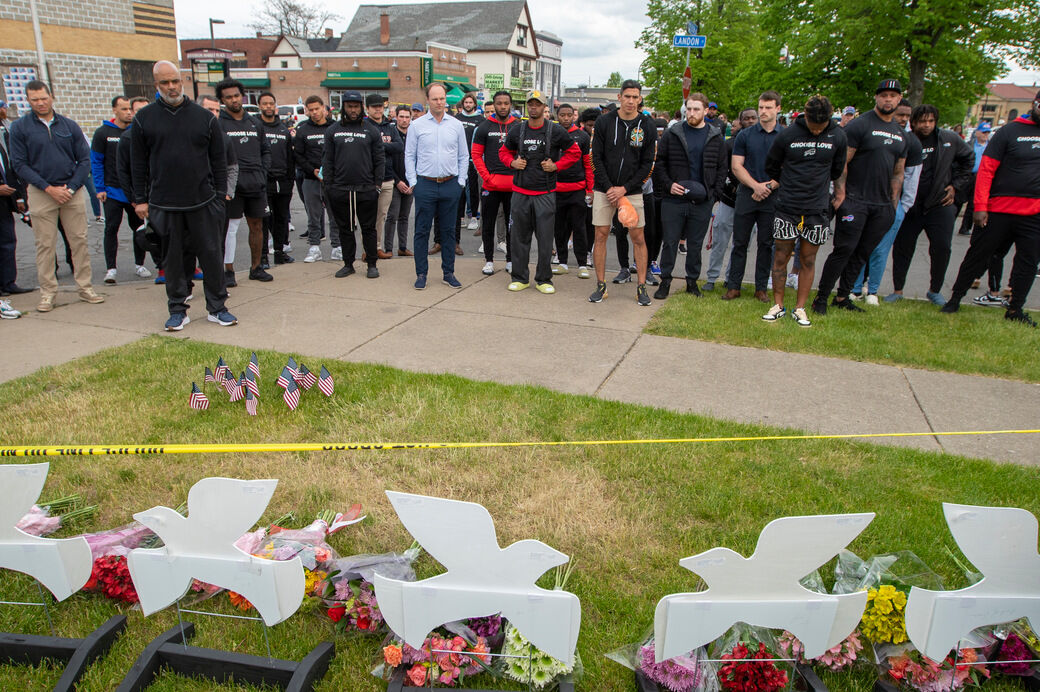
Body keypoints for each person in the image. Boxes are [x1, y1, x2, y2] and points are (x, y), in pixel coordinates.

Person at [131, 60, 235, 331]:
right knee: (174, 261)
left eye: (175, 81)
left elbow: (219, 161)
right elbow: (138, 163)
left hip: (204, 202)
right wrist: (140, 199)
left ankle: (217, 307)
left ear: (182, 81)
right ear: (156, 85)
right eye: (165, 82)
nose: (171, 87)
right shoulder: (144, 118)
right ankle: (177, 309)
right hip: (165, 203)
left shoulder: (204, 118)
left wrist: (220, 196)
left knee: (212, 256)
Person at [941, 92, 1040, 326]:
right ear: (1034, 104)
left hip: (1034, 213)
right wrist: (980, 206)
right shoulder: (1009, 131)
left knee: (1028, 262)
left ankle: (1015, 309)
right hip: (999, 209)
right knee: (978, 255)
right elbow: (986, 170)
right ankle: (955, 299)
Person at [812, 79, 908, 315]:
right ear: (876, 97)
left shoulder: (900, 133)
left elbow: (898, 171)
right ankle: (821, 297)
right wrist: (841, 194)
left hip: (882, 205)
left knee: (863, 252)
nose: (888, 99)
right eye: (883, 95)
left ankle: (843, 296)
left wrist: (893, 204)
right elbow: (842, 162)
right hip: (855, 200)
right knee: (844, 250)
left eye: (893, 95)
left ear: (899, 99)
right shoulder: (860, 125)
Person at [9, 80, 104, 312]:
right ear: (28, 101)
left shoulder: (69, 126)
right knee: (45, 244)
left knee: (79, 241)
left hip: (71, 191)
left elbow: (84, 160)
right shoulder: (20, 128)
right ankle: (48, 293)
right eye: (35, 100)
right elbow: (19, 164)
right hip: (41, 192)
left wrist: (71, 188)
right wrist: (48, 188)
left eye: (44, 98)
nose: (40, 103)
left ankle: (85, 287)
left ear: (51, 97)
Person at [761, 95, 848, 327]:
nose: (817, 131)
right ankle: (778, 304)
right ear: (805, 116)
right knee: (780, 256)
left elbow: (838, 168)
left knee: (808, 259)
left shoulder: (838, 135)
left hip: (817, 208)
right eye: (813, 126)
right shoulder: (788, 134)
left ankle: (800, 308)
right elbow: (771, 165)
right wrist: (789, 181)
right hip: (787, 205)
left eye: (822, 127)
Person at [886, 104, 974, 306]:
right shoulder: (905, 139)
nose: (927, 125)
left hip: (939, 204)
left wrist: (955, 186)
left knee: (942, 247)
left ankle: (935, 290)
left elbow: (968, 160)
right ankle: (898, 289)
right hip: (911, 204)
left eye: (931, 121)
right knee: (903, 247)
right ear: (913, 122)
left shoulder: (949, 139)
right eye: (922, 121)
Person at [498, 90, 580, 293]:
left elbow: (574, 152)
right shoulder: (518, 130)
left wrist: (557, 166)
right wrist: (512, 162)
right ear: (527, 106)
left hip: (545, 193)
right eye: (530, 104)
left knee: (545, 239)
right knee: (518, 238)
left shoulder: (555, 130)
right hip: (520, 192)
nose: (533, 107)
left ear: (545, 107)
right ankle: (520, 277)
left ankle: (544, 279)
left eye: (538, 104)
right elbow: (503, 152)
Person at [589, 79, 658, 305]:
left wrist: (624, 189)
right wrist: (609, 188)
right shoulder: (604, 122)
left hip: (632, 191)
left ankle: (641, 287)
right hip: (604, 190)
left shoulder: (647, 125)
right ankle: (601, 285)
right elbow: (595, 158)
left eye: (635, 97)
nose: (630, 101)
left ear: (640, 99)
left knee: (638, 237)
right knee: (600, 234)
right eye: (627, 96)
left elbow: (648, 163)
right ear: (619, 97)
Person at [653, 93, 727, 300]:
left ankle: (692, 282)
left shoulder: (715, 136)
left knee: (695, 244)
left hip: (702, 201)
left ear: (705, 110)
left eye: (696, 109)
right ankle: (665, 281)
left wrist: (713, 194)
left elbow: (722, 168)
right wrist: (669, 185)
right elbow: (660, 164)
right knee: (669, 242)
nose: (692, 113)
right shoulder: (672, 133)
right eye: (689, 109)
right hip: (673, 199)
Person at [850, 97, 922, 304]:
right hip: (865, 200)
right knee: (861, 247)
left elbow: (910, 176)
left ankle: (872, 290)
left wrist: (902, 206)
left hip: (892, 205)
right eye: (900, 115)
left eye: (907, 116)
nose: (903, 119)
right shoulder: (872, 131)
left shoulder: (908, 141)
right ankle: (855, 288)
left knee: (880, 250)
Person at [404, 82, 469, 290]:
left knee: (449, 231)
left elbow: (463, 156)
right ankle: (421, 273)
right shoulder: (417, 126)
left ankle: (448, 272)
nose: (439, 102)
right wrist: (414, 182)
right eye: (435, 99)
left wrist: (461, 181)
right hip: (425, 184)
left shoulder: (456, 125)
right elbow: (409, 155)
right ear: (428, 101)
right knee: (422, 231)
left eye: (442, 98)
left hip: (450, 184)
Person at [724, 91, 782, 303]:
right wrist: (756, 186)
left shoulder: (784, 136)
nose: (763, 111)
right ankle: (734, 286)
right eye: (761, 107)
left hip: (772, 197)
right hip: (747, 194)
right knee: (740, 242)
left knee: (766, 244)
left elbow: (787, 169)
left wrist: (768, 187)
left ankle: (761, 288)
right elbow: (736, 166)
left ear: (778, 109)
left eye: (768, 107)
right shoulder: (745, 135)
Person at [322, 90, 384, 279]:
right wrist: (329, 187)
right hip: (340, 189)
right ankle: (348, 264)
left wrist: (377, 186)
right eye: (349, 106)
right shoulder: (333, 130)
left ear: (361, 107)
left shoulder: (371, 130)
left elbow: (379, 159)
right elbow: (328, 161)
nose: (353, 110)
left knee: (369, 229)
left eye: (356, 106)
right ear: (344, 107)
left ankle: (372, 264)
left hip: (366, 189)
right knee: (345, 229)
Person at [215, 78, 271, 285]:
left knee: (257, 226)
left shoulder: (255, 122)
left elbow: (265, 150)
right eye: (228, 97)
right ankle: (228, 270)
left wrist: (263, 172)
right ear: (222, 100)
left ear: (243, 96)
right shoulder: (219, 123)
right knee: (230, 228)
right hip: (231, 186)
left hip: (256, 183)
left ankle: (256, 267)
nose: (234, 100)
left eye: (236, 96)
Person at [92, 95, 151, 283]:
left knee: (139, 228)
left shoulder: (138, 132)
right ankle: (111, 269)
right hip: (113, 191)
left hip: (135, 193)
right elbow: (96, 161)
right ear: (114, 110)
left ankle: (139, 265)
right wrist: (99, 187)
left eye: (129, 109)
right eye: (124, 109)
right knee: (111, 228)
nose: (128, 113)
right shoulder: (103, 133)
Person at [704, 107, 756, 291]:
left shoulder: (763, 142)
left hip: (753, 200)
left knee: (741, 244)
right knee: (719, 241)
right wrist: (719, 192)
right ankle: (711, 278)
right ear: (740, 121)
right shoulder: (730, 144)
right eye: (746, 118)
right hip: (729, 199)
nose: (750, 121)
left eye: (753, 118)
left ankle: (731, 278)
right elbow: (721, 169)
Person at [471, 90, 519, 275]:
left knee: (511, 225)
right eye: (499, 103)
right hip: (490, 185)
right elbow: (476, 155)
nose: (503, 107)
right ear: (494, 104)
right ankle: (489, 260)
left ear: (510, 105)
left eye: (506, 103)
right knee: (488, 224)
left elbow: (523, 154)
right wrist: (487, 177)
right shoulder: (484, 126)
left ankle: (510, 260)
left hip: (513, 185)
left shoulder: (518, 126)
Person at [552, 103, 594, 278]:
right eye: (563, 115)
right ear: (557, 116)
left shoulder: (583, 136)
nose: (566, 118)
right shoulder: (552, 134)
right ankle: (562, 262)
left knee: (580, 227)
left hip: (578, 189)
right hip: (556, 188)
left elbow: (588, 164)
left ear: (574, 116)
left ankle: (582, 264)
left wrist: (589, 189)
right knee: (559, 227)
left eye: (570, 115)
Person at [295, 95, 339, 263]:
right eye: (310, 110)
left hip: (332, 179)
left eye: (317, 109)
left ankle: (337, 247)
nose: (314, 113)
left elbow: (341, 152)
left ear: (323, 108)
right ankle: (314, 248)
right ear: (307, 111)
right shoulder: (303, 129)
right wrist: (311, 170)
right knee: (313, 215)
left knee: (334, 215)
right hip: (310, 179)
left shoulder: (334, 128)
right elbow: (298, 155)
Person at [257, 91, 295, 267]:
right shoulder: (256, 126)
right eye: (264, 104)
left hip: (283, 182)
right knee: (265, 220)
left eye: (271, 104)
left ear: (275, 106)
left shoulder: (282, 129)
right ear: (259, 106)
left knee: (282, 219)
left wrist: (290, 179)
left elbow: (289, 156)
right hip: (265, 181)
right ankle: (263, 256)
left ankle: (280, 252)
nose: (268, 107)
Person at [365, 93, 400, 259]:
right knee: (367, 217)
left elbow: (399, 146)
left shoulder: (390, 126)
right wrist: (385, 146)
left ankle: (377, 247)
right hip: (368, 179)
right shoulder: (364, 126)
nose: (378, 109)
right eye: (374, 107)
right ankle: (368, 249)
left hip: (387, 178)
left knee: (381, 216)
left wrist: (379, 146)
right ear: (368, 109)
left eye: (380, 106)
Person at [0, 117, 27, 312]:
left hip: (4, 204)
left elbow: (8, 173)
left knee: (8, 242)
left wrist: (18, 198)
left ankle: (8, 283)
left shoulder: (2, 146)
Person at [384, 104, 414, 256]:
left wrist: (412, 182)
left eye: (407, 117)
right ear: (396, 117)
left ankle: (402, 247)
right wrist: (398, 182)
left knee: (404, 217)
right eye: (401, 116)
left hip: (410, 183)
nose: (404, 120)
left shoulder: (414, 135)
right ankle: (388, 249)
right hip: (394, 182)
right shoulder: (390, 134)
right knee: (392, 216)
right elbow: (386, 162)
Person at [455, 93, 484, 231]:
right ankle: (460, 218)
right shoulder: (456, 119)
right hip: (458, 160)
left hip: (473, 160)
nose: (468, 105)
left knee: (473, 190)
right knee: (459, 189)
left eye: (470, 102)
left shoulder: (480, 120)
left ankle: (473, 217)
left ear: (474, 104)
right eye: (465, 102)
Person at [957, 121, 991, 236]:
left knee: (972, 204)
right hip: (968, 176)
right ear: (977, 133)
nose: (985, 135)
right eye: (983, 132)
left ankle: (965, 227)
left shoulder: (991, 146)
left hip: (980, 178)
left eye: (987, 133)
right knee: (958, 200)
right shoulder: (969, 144)